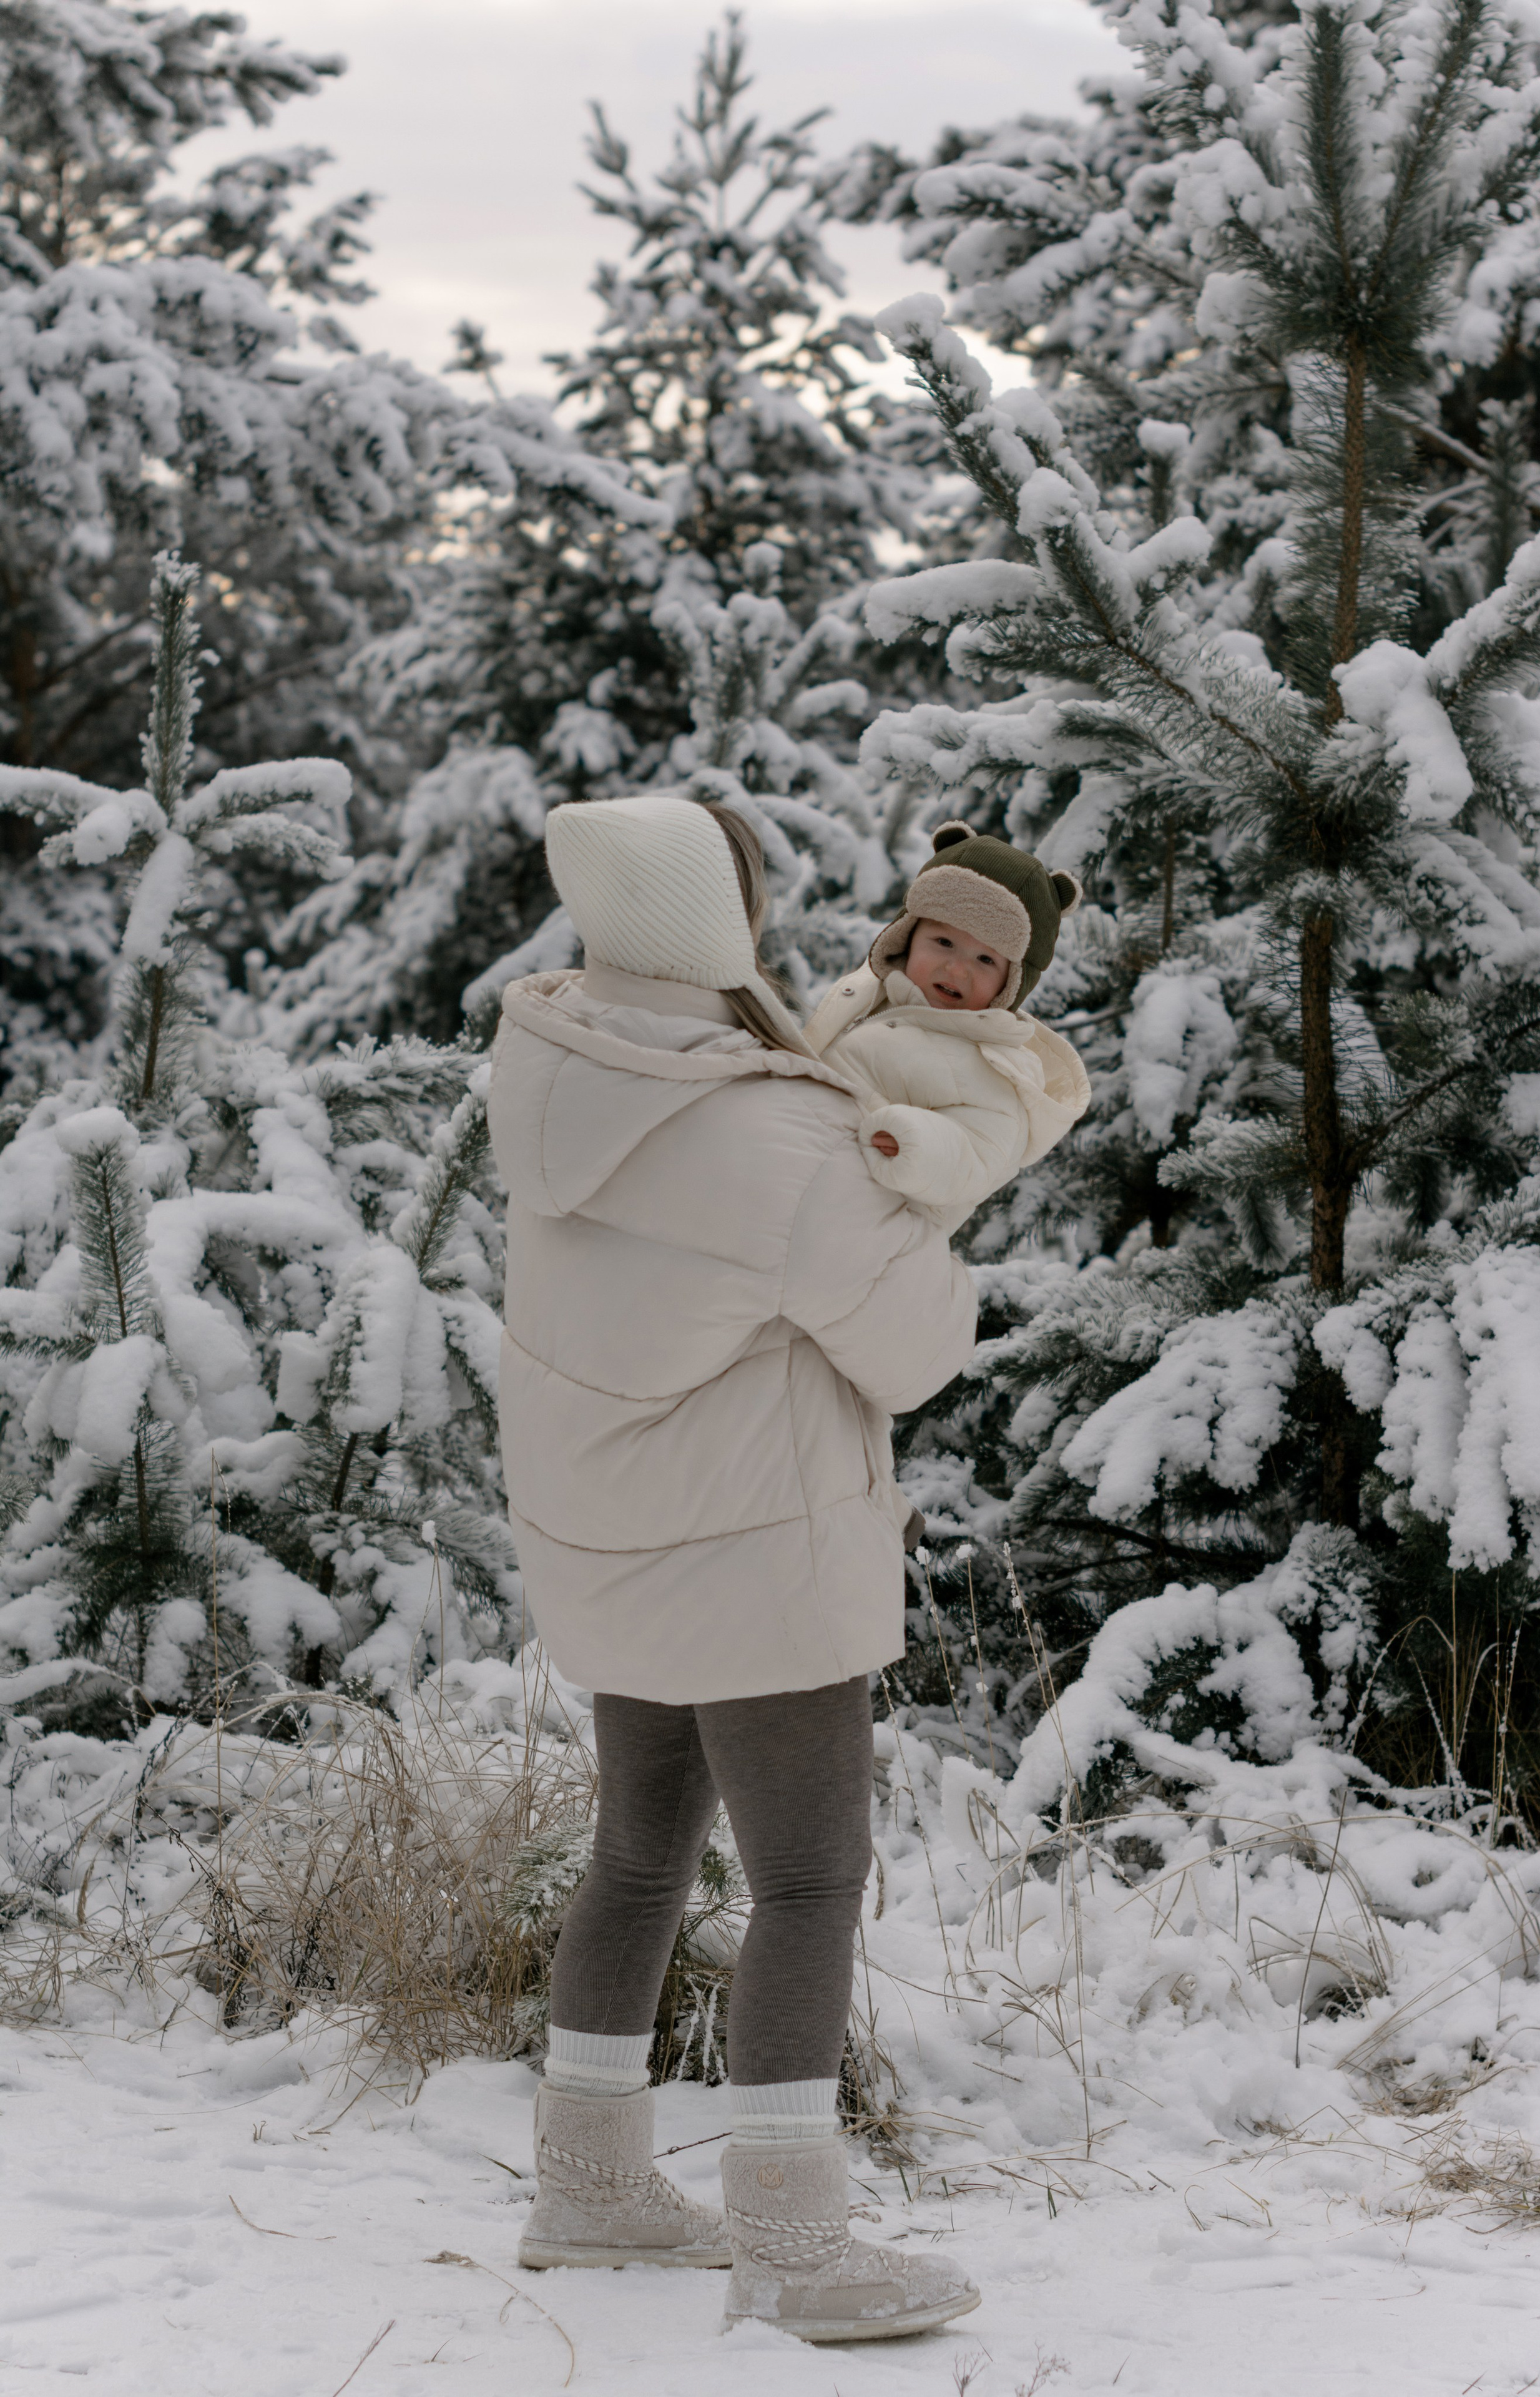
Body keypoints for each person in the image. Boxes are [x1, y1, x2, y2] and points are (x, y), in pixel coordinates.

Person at [486, 792, 981, 2343]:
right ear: (726, 919)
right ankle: (795, 2240)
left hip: (608, 1539)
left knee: (640, 1853)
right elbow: (916, 1346)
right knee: (810, 1876)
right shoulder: (768, 1125)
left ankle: (585, 2181)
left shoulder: (558, 1060)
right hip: (751, 1550)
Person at [806, 820, 1091, 1233]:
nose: (957, 968)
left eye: (986, 960)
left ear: (1011, 985)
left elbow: (978, 1156)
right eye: (944, 942)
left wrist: (915, 1144)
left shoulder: (998, 1069)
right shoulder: (866, 997)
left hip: (867, 1228)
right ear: (908, 934)